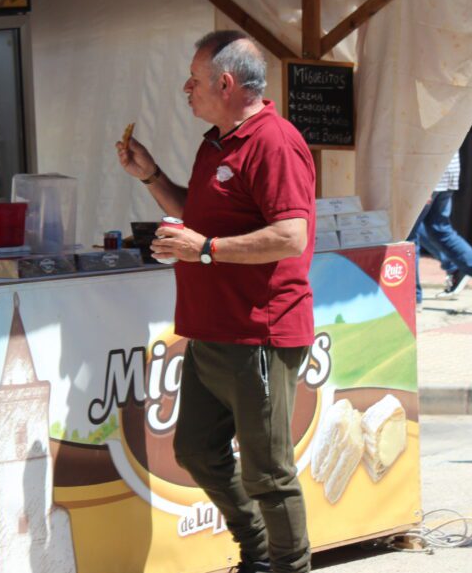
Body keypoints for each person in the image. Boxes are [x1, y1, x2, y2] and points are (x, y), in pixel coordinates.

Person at [116, 30, 314, 573]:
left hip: (259, 334)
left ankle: (287, 565)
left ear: (226, 84)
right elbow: (200, 217)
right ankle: (258, 550)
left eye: (195, 80)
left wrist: (204, 249)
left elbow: (291, 236)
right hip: (212, 331)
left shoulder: (274, 142)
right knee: (196, 451)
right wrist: (152, 176)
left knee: (268, 472)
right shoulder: (216, 142)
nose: (187, 89)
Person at [410, 152, 472, 311]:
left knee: (408, 235)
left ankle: (411, 298)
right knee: (439, 229)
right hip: (447, 170)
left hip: (427, 173)